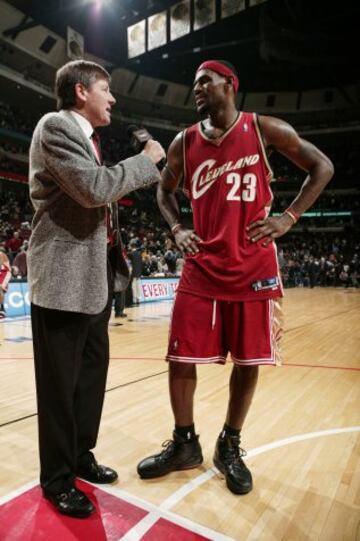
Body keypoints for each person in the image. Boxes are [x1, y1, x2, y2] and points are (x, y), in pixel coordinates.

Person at [137, 60, 334, 495]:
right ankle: (185, 443)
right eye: (194, 85)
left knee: (248, 361)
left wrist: (289, 217)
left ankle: (230, 444)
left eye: (205, 81)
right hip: (202, 265)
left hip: (253, 267)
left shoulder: (265, 130)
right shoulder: (184, 142)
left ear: (230, 84)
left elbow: (322, 167)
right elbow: (163, 191)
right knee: (180, 356)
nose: (197, 89)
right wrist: (176, 228)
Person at [27, 59, 165, 518]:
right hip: (62, 279)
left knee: (90, 381)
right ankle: (58, 479)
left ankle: (81, 456)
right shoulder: (55, 126)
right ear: (82, 91)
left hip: (92, 280)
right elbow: (92, 189)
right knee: (59, 387)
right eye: (107, 90)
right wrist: (145, 163)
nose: (113, 99)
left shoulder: (88, 138)